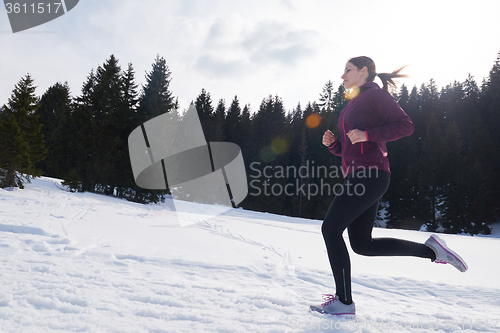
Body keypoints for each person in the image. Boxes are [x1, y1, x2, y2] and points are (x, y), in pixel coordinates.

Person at [310, 56, 468, 316]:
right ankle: (432, 251)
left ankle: (344, 303)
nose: (343, 76)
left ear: (364, 72)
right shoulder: (353, 104)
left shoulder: (375, 96)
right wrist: (334, 146)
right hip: (360, 175)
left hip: (370, 175)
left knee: (330, 229)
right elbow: (354, 147)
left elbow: (406, 126)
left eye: (347, 70)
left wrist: (368, 134)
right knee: (362, 245)